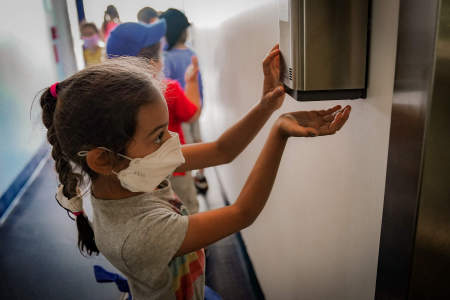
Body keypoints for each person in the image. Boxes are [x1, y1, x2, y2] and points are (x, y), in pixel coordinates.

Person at [39, 45, 350, 299]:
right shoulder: (139, 234)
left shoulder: (128, 170)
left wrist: (266, 107)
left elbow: (221, 151)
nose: (171, 143)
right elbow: (243, 213)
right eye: (159, 135)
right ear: (104, 159)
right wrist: (279, 131)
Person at [107, 20, 202, 214]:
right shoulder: (168, 90)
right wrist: (191, 82)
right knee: (187, 213)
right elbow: (193, 114)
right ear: (152, 62)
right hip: (175, 170)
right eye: (159, 54)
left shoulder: (110, 99)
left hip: (136, 176)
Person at [160, 8, 209, 195]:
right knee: (198, 140)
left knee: (186, 146)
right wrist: (200, 103)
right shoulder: (191, 53)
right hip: (195, 106)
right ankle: (201, 175)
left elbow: (166, 88)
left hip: (179, 113)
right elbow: (199, 83)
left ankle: (189, 177)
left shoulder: (167, 58)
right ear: (183, 31)